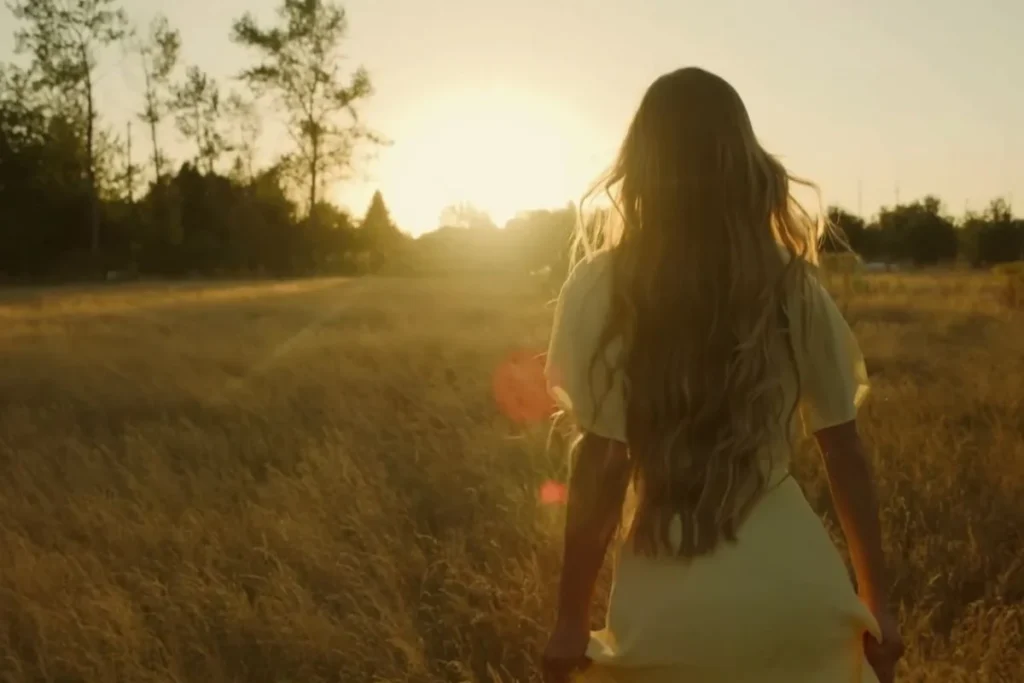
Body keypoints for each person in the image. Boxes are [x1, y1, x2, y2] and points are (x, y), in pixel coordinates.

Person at [540, 67, 904, 683]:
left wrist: (570, 620)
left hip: (671, 617)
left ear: (641, 164)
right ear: (743, 161)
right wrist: (879, 606)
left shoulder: (601, 286)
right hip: (799, 601)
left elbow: (603, 461)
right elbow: (843, 448)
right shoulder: (791, 283)